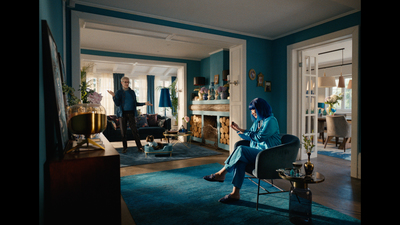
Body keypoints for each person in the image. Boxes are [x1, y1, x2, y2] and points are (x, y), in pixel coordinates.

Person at [203, 97, 281, 203]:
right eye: (253, 114)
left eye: (255, 113)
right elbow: (250, 136)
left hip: (268, 155)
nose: (254, 115)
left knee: (241, 149)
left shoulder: (271, 121)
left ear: (262, 110)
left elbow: (259, 137)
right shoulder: (258, 122)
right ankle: (235, 193)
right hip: (258, 154)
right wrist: (238, 130)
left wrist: (244, 131)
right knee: (240, 160)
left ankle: (221, 174)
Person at [107, 77, 152, 153]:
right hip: (122, 114)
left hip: (131, 113)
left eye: (128, 82)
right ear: (121, 83)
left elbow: (135, 103)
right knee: (123, 132)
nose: (127, 83)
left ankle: (140, 147)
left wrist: (144, 103)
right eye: (125, 82)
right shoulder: (119, 92)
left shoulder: (132, 92)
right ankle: (125, 148)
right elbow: (117, 104)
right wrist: (114, 96)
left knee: (135, 131)